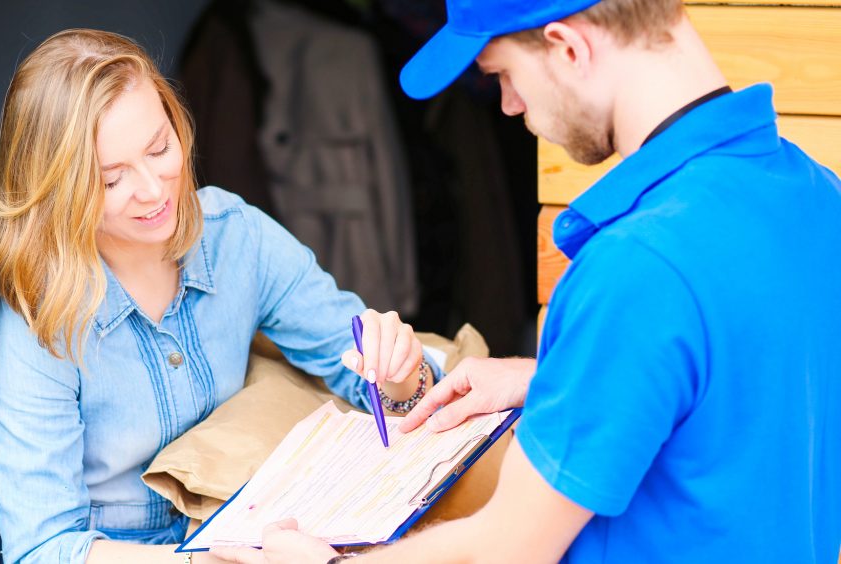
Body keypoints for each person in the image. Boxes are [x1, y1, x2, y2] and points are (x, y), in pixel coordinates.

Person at [214, 0, 841, 562]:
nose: (509, 105)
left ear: (568, 48)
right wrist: (554, 376)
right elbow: (737, 385)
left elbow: (510, 547)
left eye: (502, 75)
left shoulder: (637, 266)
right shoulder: (815, 194)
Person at [0, 29, 437, 564]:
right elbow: (43, 548)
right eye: (111, 180)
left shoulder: (236, 237)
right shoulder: (34, 325)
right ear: (55, 189)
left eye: (159, 148)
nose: (154, 190)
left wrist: (400, 376)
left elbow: (362, 368)